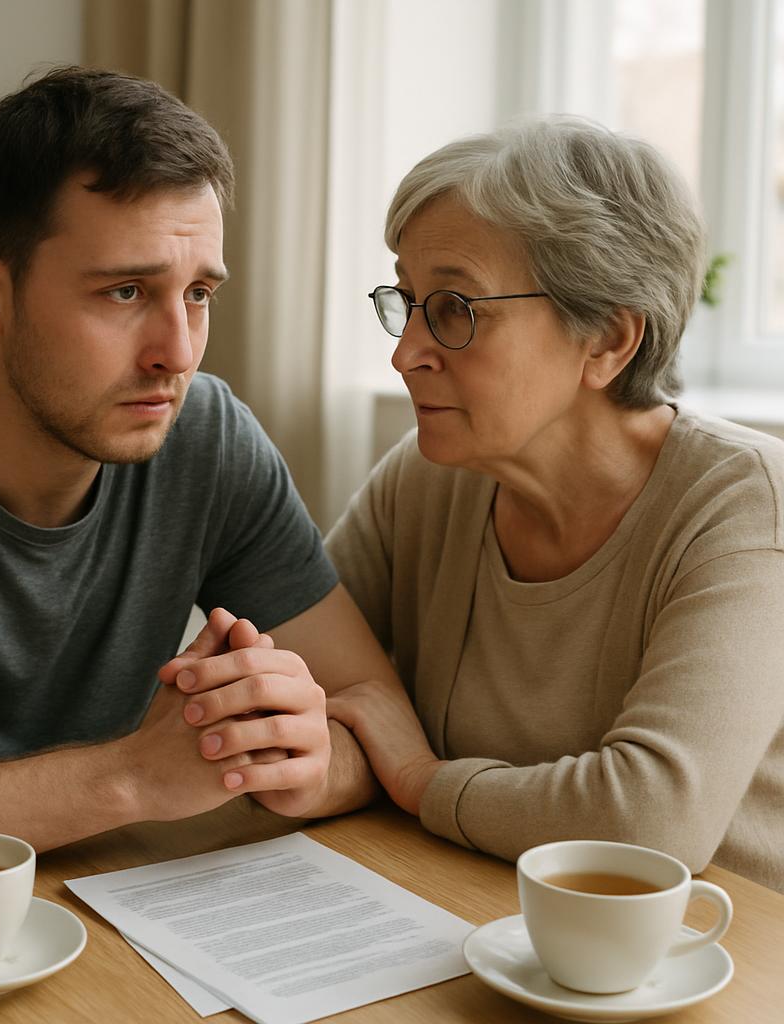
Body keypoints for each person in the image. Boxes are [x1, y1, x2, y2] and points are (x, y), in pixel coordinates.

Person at [0, 67, 390, 899]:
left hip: (103, 911)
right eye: (126, 291)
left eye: (198, 293)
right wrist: (131, 779)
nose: (178, 352)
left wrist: (308, 764)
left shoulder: (208, 437)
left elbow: (370, 708)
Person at [325, 117, 784, 892]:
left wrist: (417, 778)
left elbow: (649, 823)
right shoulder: (429, 478)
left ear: (607, 339)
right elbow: (294, 674)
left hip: (714, 963)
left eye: (455, 310)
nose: (405, 353)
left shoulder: (744, 505)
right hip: (477, 907)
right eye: (407, 301)